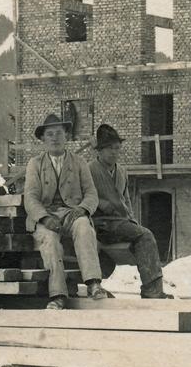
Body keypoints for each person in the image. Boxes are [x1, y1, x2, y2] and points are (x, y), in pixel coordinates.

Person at [23, 113, 110, 310]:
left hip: (72, 213)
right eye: (50, 134)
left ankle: (93, 283)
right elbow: (30, 197)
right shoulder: (35, 164)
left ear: (67, 137)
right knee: (51, 241)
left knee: (84, 228)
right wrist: (44, 218)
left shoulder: (78, 162)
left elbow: (91, 193)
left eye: (59, 133)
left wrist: (81, 209)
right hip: (45, 216)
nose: (55, 138)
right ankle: (58, 295)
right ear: (44, 139)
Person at [87, 124, 172, 299]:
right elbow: (80, 199)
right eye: (110, 148)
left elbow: (126, 201)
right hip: (100, 224)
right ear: (100, 150)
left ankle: (151, 286)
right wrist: (101, 203)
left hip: (120, 224)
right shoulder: (89, 170)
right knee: (146, 235)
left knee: (141, 234)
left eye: (117, 148)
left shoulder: (122, 172)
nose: (114, 152)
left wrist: (132, 221)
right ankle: (152, 290)